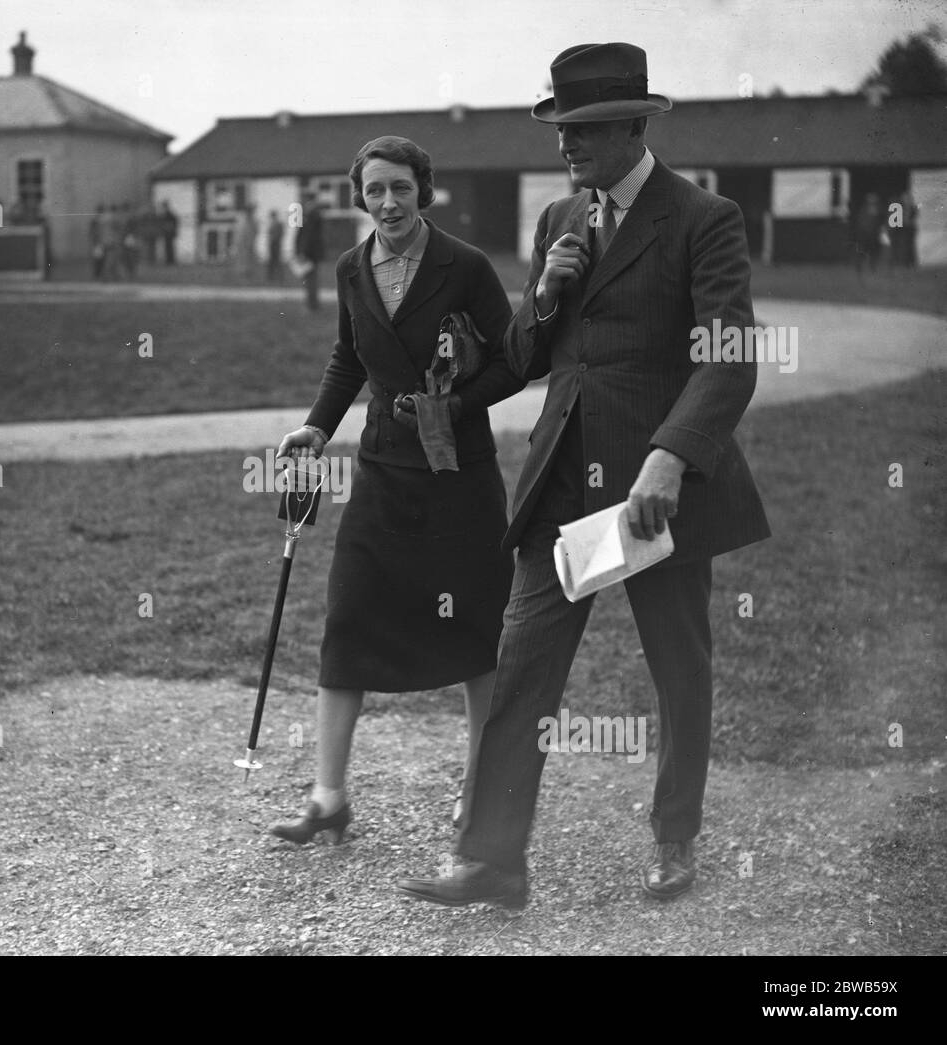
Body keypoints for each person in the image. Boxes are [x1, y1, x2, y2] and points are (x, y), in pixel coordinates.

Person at [398, 42, 770, 910]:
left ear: (635, 125)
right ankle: (492, 857)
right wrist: (544, 295)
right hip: (563, 479)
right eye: (561, 127)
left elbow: (730, 358)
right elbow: (528, 359)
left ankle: (675, 837)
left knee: (677, 668)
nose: (567, 145)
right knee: (521, 660)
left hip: (654, 491)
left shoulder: (704, 217)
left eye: (586, 130)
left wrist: (670, 459)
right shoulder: (561, 217)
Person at [268, 135, 524, 846]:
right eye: (374, 189)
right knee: (347, 620)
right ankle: (327, 797)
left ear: (424, 192)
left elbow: (514, 361)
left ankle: (481, 792)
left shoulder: (465, 265)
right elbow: (349, 356)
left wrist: (457, 406)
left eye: (401, 189)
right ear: (360, 197)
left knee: (474, 632)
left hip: (458, 477)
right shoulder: (353, 267)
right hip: (382, 471)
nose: (387, 202)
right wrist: (318, 429)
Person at [294, 192, 325, 310]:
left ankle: (311, 305)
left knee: (310, 279)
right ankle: (312, 304)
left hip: (309, 253)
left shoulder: (311, 214)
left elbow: (308, 235)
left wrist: (303, 251)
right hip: (312, 252)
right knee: (311, 279)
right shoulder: (313, 213)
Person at [234, 204, 257, 283]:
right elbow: (240, 232)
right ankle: (242, 275)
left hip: (249, 243)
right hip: (243, 243)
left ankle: (248, 275)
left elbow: (254, 232)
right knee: (242, 259)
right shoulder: (243, 221)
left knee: (248, 260)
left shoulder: (252, 221)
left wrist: (251, 240)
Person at [266, 209, 285, 282]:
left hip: (276, 244)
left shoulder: (278, 224)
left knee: (276, 261)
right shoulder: (273, 224)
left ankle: (279, 277)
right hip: (273, 244)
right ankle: (272, 277)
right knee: (272, 261)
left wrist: (275, 240)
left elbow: (279, 234)